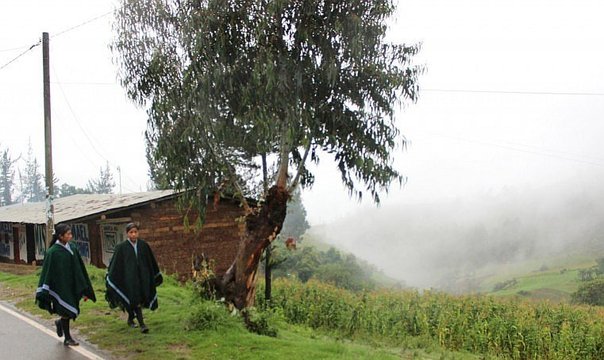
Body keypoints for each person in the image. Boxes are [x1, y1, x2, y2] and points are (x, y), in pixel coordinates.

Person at [35, 223, 96, 346]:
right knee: (66, 311)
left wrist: (83, 287)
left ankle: (60, 323)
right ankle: (67, 338)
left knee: (71, 310)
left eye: (70, 234)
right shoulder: (53, 252)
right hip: (60, 287)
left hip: (73, 285)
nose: (70, 236)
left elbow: (79, 268)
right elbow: (48, 272)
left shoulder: (72, 248)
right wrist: (47, 288)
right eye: (68, 234)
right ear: (60, 236)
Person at [105, 222, 163, 333]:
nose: (133, 235)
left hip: (142, 278)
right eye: (131, 232)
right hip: (128, 279)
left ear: (138, 233)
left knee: (140, 299)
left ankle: (131, 318)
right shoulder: (121, 248)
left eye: (135, 232)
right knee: (133, 299)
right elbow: (116, 264)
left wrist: (153, 275)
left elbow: (150, 261)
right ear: (127, 234)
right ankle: (142, 325)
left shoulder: (143, 245)